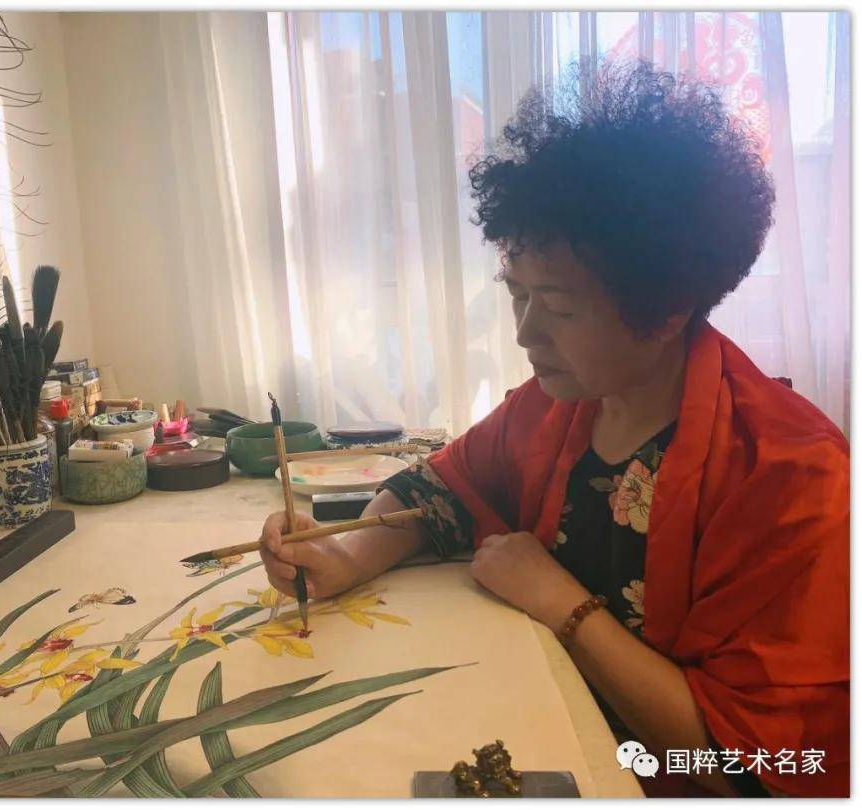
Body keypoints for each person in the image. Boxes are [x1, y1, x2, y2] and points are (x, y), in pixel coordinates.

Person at [258, 61, 848, 798]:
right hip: (543, 719)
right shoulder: (559, 402)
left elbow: (741, 763)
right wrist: (345, 556)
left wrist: (562, 603)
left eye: (560, 308)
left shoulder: (790, 477)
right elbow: (438, 489)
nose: (526, 333)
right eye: (517, 294)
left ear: (666, 311)